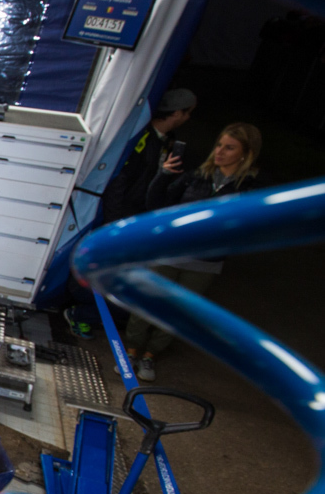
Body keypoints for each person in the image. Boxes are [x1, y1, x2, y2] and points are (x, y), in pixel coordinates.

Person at [123, 122, 266, 381]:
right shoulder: (196, 176)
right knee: (146, 303)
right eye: (219, 145)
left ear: (246, 154)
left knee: (178, 311)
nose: (219, 152)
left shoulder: (249, 190)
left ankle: (150, 355)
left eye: (229, 148)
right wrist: (163, 175)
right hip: (168, 253)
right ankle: (131, 351)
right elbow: (155, 205)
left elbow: (251, 229)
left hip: (205, 263)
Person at [64, 88, 198, 340]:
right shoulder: (142, 138)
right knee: (103, 279)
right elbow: (119, 181)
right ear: (177, 113)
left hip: (136, 220)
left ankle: (90, 310)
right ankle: (82, 313)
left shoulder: (166, 142)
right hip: (122, 219)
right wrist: (114, 222)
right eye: (187, 113)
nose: (188, 118)